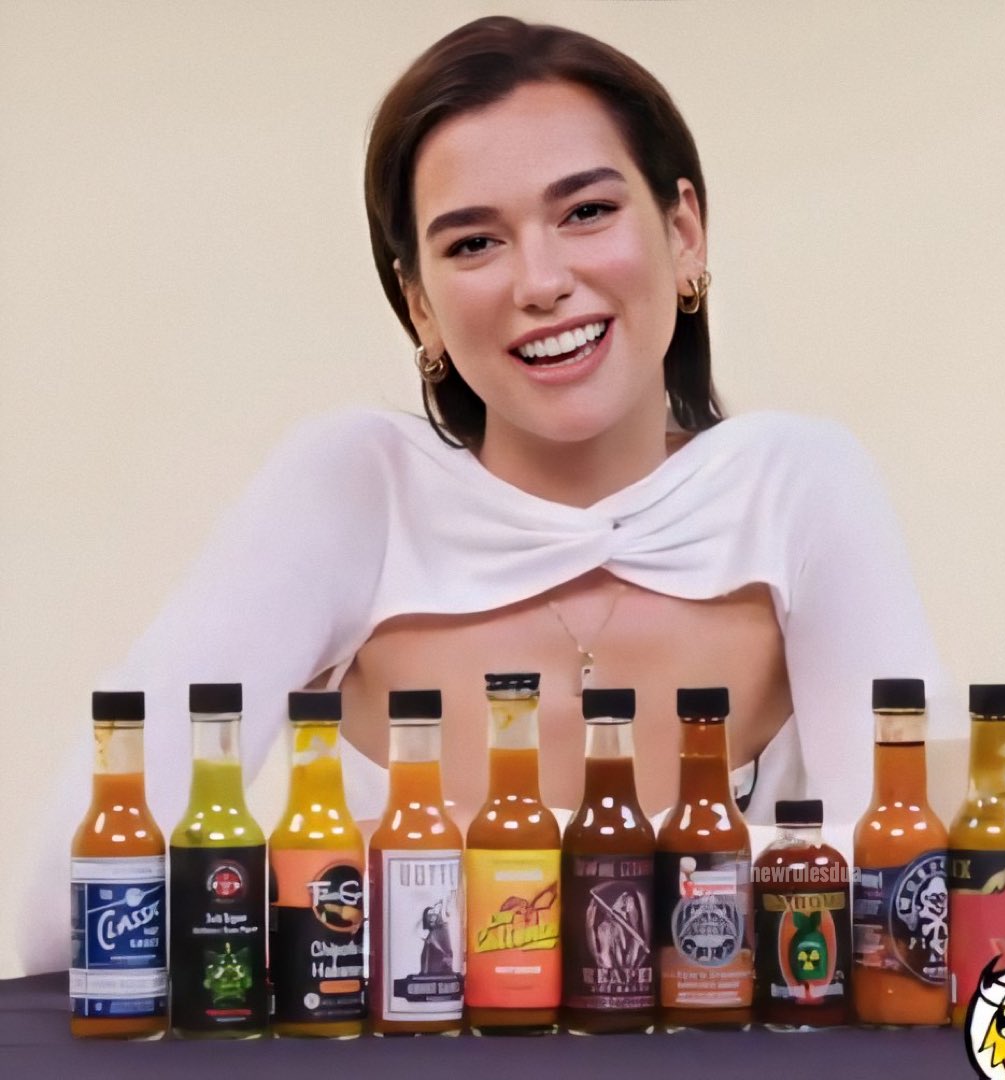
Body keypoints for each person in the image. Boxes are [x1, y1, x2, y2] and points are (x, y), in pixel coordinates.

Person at [28, 16, 955, 975]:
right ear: (419, 305)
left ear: (683, 233)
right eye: (474, 242)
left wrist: (388, 875)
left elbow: (918, 909)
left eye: (586, 212)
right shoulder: (357, 486)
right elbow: (76, 902)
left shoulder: (796, 484)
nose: (541, 282)